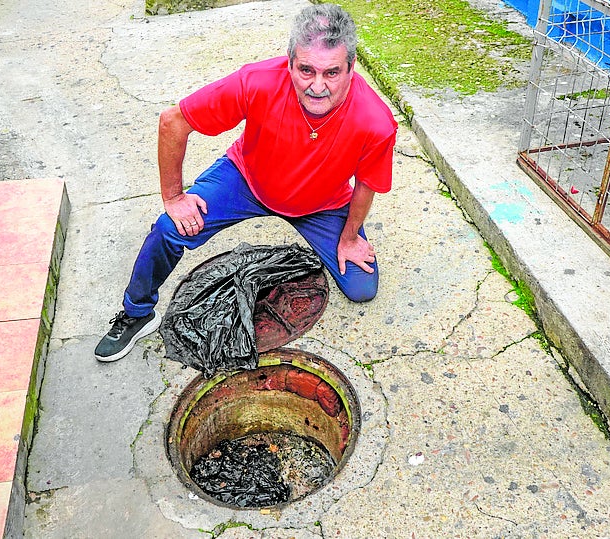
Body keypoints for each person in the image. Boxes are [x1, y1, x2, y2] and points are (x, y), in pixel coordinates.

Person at [95, 3, 398, 362]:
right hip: (247, 180)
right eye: (306, 70)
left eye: (332, 72)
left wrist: (349, 238)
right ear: (289, 63)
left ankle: (329, 237)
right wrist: (174, 196)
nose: (318, 86)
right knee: (168, 228)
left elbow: (366, 184)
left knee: (362, 287)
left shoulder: (376, 121)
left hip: (322, 202)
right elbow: (173, 121)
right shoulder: (257, 81)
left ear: (351, 68)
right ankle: (136, 311)